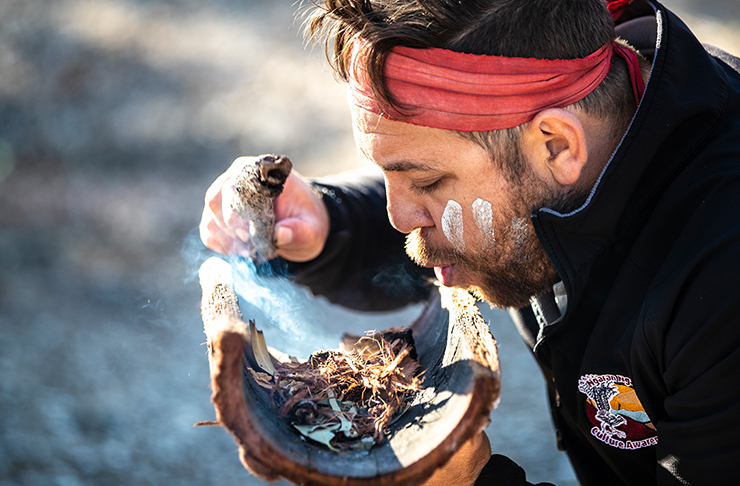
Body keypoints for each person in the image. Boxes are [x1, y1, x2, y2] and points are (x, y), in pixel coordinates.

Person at [199, 0, 740, 484]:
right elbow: (476, 216)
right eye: (390, 176)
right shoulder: (599, 102)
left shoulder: (720, 284)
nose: (399, 218)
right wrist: (326, 220)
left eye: (427, 182)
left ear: (556, 145)